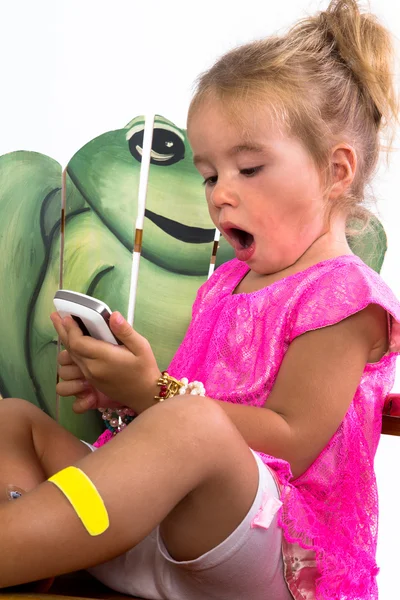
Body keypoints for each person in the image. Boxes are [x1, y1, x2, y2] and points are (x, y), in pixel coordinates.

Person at [1, 1, 400, 598]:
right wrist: (119, 394)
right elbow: (179, 410)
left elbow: (291, 438)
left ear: (336, 171)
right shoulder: (225, 282)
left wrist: (154, 392)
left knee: (193, 426)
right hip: (149, 526)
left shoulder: (344, 296)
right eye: (211, 175)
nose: (220, 196)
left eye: (249, 168)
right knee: (14, 422)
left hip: (270, 550)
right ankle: (32, 549)